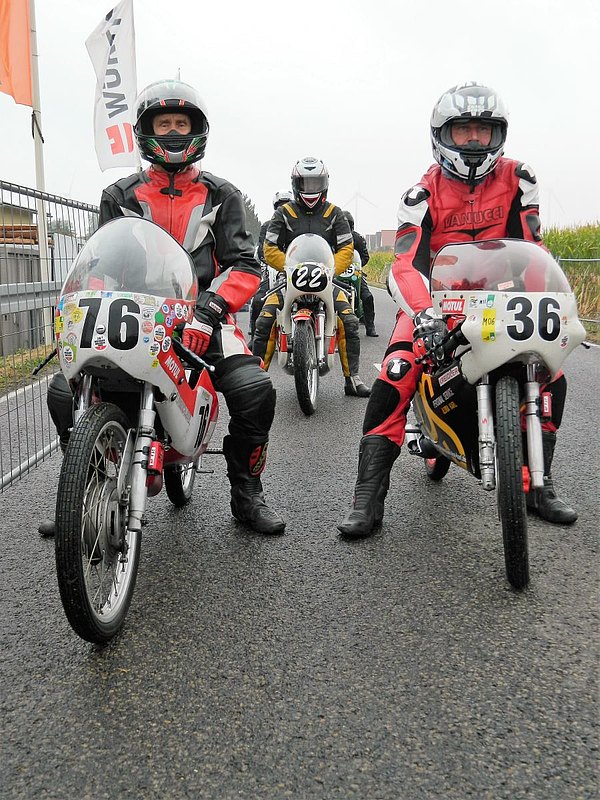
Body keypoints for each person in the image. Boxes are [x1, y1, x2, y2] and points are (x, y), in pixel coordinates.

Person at [39, 79, 285, 537]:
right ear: (146, 131)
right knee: (62, 390)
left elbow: (246, 266)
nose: (172, 132)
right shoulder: (119, 195)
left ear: (197, 130)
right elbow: (100, 263)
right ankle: (81, 489)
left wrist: (210, 310)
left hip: (206, 317)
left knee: (254, 391)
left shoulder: (223, 195)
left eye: (181, 124)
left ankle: (247, 492)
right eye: (163, 123)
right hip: (136, 314)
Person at [338, 81, 577, 538]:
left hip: (503, 299)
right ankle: (366, 498)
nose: (473, 140)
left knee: (552, 374)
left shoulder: (520, 178)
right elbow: (405, 264)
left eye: (483, 131)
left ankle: (538, 484)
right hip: (437, 302)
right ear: (441, 135)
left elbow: (534, 248)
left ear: (498, 134)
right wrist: (423, 314)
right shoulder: (420, 195)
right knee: (396, 371)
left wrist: (551, 302)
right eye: (463, 130)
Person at [252, 157, 371, 398]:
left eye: (315, 183)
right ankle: (255, 379)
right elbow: (269, 248)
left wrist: (331, 270)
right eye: (305, 183)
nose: (310, 189)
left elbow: (346, 249)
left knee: (349, 321)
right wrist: (288, 267)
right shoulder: (283, 213)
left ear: (325, 184)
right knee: (264, 320)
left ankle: (352, 378)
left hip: (326, 279)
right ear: (295, 184)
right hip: (290, 280)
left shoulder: (335, 213)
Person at [248, 190, 293, 346]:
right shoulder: (267, 226)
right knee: (258, 300)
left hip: (298, 272)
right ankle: (255, 339)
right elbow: (262, 252)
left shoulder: (299, 226)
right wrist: (276, 264)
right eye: (280, 206)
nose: (284, 208)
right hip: (274, 271)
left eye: (287, 205)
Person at [343, 210, 378, 337]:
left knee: (367, 296)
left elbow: (365, 256)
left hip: (354, 272)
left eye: (347, 224)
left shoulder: (357, 238)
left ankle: (370, 327)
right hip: (336, 272)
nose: (345, 227)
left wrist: (357, 266)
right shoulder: (331, 237)